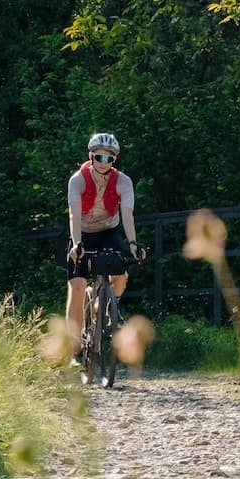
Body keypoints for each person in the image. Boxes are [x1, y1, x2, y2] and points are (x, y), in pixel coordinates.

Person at [65, 132, 146, 344]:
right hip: (82, 233)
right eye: (99, 157)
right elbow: (73, 214)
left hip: (109, 230)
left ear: (114, 160)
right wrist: (76, 244)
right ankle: (75, 344)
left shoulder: (124, 182)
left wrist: (133, 243)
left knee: (120, 271)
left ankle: (109, 306)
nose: (103, 162)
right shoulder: (77, 180)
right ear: (91, 157)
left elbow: (127, 214)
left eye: (108, 158)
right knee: (78, 286)